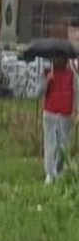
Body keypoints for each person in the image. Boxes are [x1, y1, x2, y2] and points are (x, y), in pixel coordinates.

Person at [40, 53, 78, 184]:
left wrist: (76, 110)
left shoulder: (71, 75)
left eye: (61, 58)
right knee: (50, 144)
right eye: (56, 58)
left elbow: (75, 92)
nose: (58, 60)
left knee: (63, 144)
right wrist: (47, 81)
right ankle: (49, 174)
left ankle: (59, 171)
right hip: (50, 112)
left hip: (65, 114)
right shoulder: (47, 72)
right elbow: (40, 91)